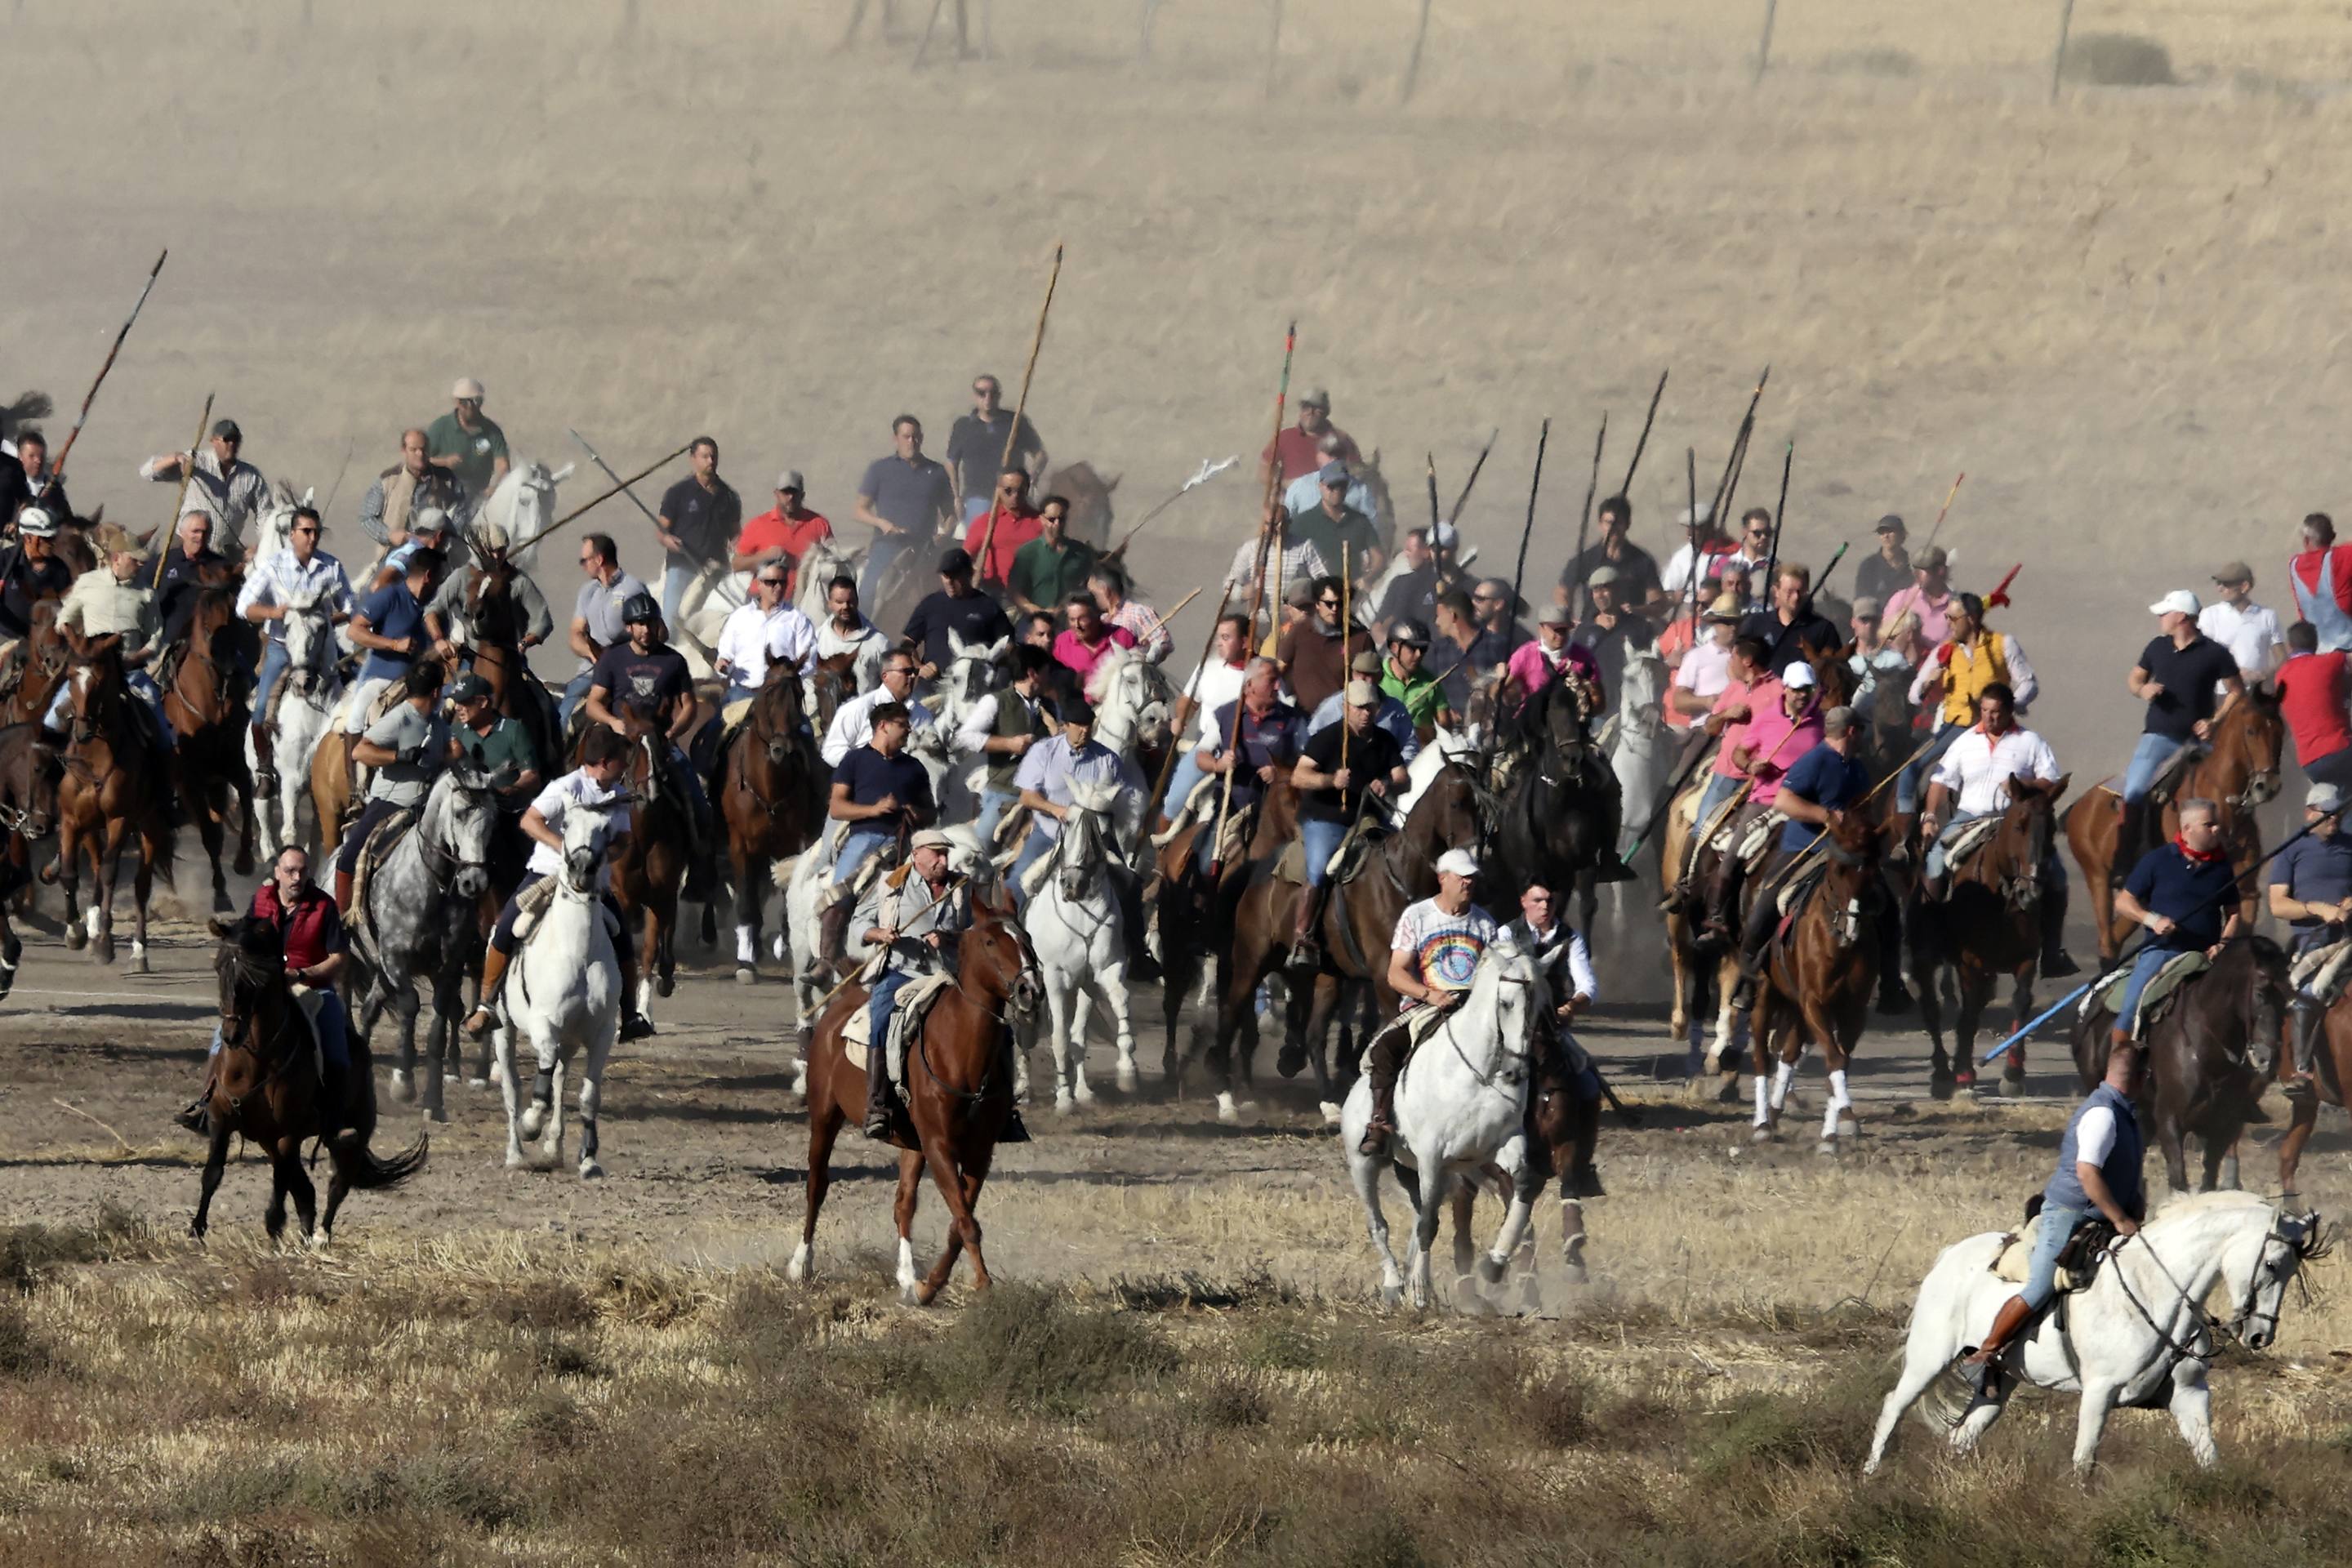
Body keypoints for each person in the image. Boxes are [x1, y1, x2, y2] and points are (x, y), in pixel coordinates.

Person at [1958, 1037, 2149, 1398]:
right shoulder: (2103, 1115)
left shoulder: (2123, 1111)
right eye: (2147, 1076)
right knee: (2041, 1286)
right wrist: (2120, 1219)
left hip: (2103, 1214)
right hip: (2070, 1213)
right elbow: (2087, 1173)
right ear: (2139, 1077)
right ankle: (1985, 1354)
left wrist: (2134, 1201)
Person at [463, 725, 654, 1042]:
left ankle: (630, 1013)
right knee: (506, 927)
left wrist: (603, 854)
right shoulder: (565, 786)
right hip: (547, 874)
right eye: (623, 760)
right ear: (605, 761)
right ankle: (486, 1005)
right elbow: (529, 820)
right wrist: (563, 848)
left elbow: (623, 839)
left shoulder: (619, 796)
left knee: (622, 942)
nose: (627, 766)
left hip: (593, 884)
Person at [175, 845, 356, 1136]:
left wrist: (302, 974)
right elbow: (242, 939)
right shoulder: (261, 900)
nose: (297, 878)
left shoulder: (324, 906)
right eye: (290, 871)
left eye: (302, 871)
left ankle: (335, 1122)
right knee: (221, 1035)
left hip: (313, 990)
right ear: (277, 874)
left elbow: (340, 958)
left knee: (335, 1044)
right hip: (265, 991)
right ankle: (205, 1104)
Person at [1918, 683, 2078, 976]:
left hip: (2016, 822)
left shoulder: (2030, 741)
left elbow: (2051, 780)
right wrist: (1929, 815)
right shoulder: (1966, 741)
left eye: (1996, 712)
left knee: (2057, 874)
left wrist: (2024, 785)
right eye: (1985, 711)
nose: (1990, 718)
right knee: (1935, 860)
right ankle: (1932, 941)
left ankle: (2052, 952)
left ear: (2009, 712)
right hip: (1970, 816)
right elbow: (1941, 781)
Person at [1723, 705, 1877, 1009]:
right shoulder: (1815, 761)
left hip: (1845, 853)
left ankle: (1890, 978)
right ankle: (1747, 979)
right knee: (1764, 906)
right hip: (1803, 849)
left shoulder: (1857, 768)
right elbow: (1784, 800)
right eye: (1860, 730)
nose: (1863, 736)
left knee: (1882, 903)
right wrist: (1825, 815)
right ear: (1851, 731)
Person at [1358, 847, 1498, 1154]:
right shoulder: (1417, 916)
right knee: (1383, 1050)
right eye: (1462, 877)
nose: (1468, 883)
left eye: (1472, 878)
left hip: (1475, 1010)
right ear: (1442, 879)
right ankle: (1379, 1121)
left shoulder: (1485, 924)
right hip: (1426, 1008)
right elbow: (1395, 974)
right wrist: (1429, 995)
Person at [858, 827, 980, 1138]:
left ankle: (1002, 1105)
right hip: (903, 972)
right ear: (916, 856)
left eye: (945, 854)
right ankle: (878, 1106)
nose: (943, 860)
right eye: (936, 854)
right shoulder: (891, 885)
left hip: (948, 977)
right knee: (882, 1019)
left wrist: (950, 938)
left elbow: (975, 933)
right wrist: (881, 934)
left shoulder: (960, 886)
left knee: (993, 1020)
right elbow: (859, 925)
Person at [1288, 679, 1410, 969]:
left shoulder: (1385, 740)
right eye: (1359, 708)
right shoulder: (1329, 738)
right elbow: (1299, 776)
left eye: (1370, 707)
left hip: (1369, 818)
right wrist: (1331, 780)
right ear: (1346, 708)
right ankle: (1303, 936)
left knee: (1402, 858)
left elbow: (1404, 777)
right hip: (1326, 818)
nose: (1365, 713)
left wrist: (1387, 782)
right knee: (1320, 869)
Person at [2108, 796, 2246, 1052]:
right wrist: (2152, 920)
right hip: (2163, 951)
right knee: (2132, 1006)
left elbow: (2234, 913)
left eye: (2216, 824)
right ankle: (2119, 1065)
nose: (2217, 829)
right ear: (2187, 830)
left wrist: (2223, 944)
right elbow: (2124, 902)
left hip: (2207, 955)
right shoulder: (2157, 860)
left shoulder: (2222, 867)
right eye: (2209, 824)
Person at [812, 701, 936, 974]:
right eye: (902, 725)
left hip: (908, 841)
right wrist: (874, 809)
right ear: (883, 726)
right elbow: (837, 807)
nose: (908, 730)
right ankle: (826, 959)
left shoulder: (914, 767)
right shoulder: (855, 760)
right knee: (842, 891)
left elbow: (932, 812)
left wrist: (916, 812)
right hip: (866, 838)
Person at [2118, 591, 2243, 861]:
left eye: (2165, 613)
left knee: (2229, 789)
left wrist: (2216, 720)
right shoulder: (2156, 647)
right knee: (2135, 791)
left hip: (2198, 743)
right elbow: (2134, 679)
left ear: (2182, 617)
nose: (2160, 618)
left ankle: (2234, 847)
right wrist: (2143, 690)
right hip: (2158, 738)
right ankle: (2126, 858)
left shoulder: (2215, 653)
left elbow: (2236, 689)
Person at [238, 504, 356, 779]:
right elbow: (243, 607)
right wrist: (272, 613)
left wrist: (322, 621)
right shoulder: (273, 566)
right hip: (281, 649)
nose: (312, 538)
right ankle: (265, 768)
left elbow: (351, 606)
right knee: (260, 710)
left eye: (316, 532)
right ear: (292, 534)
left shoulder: (331, 566)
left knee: (355, 694)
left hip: (322, 648)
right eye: (305, 532)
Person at [1505, 879, 1606, 1195]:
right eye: (1538, 900)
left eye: (1549, 900)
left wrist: (1572, 1006)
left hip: (1552, 1030)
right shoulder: (1506, 935)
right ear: (1523, 901)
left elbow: (1587, 984)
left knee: (1588, 1083)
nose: (1545, 906)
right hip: (1512, 1029)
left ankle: (1581, 1166)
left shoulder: (1570, 937)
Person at [1898, 590, 2039, 814]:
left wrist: (2009, 704)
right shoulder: (1944, 651)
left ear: (1971, 619)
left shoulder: (2004, 644)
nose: (1948, 624)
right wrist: (1928, 685)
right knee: (1909, 771)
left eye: (1953, 619)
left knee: (2035, 773)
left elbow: (2029, 684)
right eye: (1946, 618)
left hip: (1998, 726)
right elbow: (1914, 695)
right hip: (1957, 727)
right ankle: (1904, 834)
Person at [583, 594, 711, 835]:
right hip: (620, 738)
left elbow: (689, 705)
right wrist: (613, 722)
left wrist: (673, 732)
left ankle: (701, 852)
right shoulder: (612, 658)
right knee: (585, 785)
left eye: (651, 622)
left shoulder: (674, 661)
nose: (646, 629)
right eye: (640, 624)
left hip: (658, 739)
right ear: (628, 627)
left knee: (692, 790)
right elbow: (593, 703)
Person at [1008, 697, 1145, 912]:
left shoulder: (1107, 759)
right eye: (1079, 726)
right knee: (1017, 881)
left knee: (1131, 885)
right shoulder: (1044, 751)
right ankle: (1014, 934)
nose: (1085, 731)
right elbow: (1027, 797)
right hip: (1050, 833)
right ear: (1066, 726)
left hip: (1096, 840)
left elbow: (1122, 801)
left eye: (1089, 725)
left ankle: (1135, 943)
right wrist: (1056, 809)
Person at [49, 523, 174, 755]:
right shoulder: (88, 583)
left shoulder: (147, 593)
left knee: (164, 733)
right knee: (51, 721)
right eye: (134, 560)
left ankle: (166, 783)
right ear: (117, 558)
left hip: (131, 675)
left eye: (141, 561)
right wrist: (76, 643)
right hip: (89, 671)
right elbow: (63, 620)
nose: (140, 565)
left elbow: (156, 639)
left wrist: (135, 657)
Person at [334, 662, 448, 911]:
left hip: (427, 808)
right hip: (390, 804)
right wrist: (399, 756)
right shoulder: (400, 718)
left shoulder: (437, 724)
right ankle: (341, 920)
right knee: (349, 856)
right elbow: (360, 751)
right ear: (436, 693)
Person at [2269, 783, 2352, 1102]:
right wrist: (2316, 909)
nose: (2336, 818)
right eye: (2329, 813)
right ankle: (2302, 1070)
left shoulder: (2350, 845)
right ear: (2309, 813)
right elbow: (2277, 904)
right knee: (2307, 992)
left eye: (2339, 813)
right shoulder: (2291, 850)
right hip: (2313, 941)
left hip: (2350, 935)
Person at [1194, 658, 1307, 871]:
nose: (1278, 686)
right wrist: (1219, 765)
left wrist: (1282, 773)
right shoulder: (1226, 715)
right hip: (1233, 806)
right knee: (1206, 860)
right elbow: (1202, 756)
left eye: (1278, 681)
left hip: (1277, 810)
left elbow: (1307, 763)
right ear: (1249, 686)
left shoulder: (1293, 719)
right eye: (1271, 681)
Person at [343, 547, 448, 742]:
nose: (440, 585)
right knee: (357, 714)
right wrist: (394, 644)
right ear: (428, 576)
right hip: (383, 680)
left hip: (422, 686)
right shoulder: (391, 596)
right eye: (439, 578)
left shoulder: (432, 607)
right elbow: (354, 630)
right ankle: (353, 769)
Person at [1160, 615, 1252, 831]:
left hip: (1244, 752)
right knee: (1175, 799)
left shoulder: (1260, 673)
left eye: (1226, 637)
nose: (1219, 642)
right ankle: (1161, 851)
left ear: (1245, 642)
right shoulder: (1208, 667)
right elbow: (1189, 701)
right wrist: (1181, 719)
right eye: (1219, 637)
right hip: (1206, 748)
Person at [958, 643, 1054, 848]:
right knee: (980, 847)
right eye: (1046, 672)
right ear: (1032, 673)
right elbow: (965, 736)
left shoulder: (1050, 706)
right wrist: (1009, 744)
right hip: (1006, 793)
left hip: (1045, 797)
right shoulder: (995, 701)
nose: (1049, 677)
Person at [855, 415, 957, 600]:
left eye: (916, 437)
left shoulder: (936, 472)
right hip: (888, 545)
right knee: (868, 590)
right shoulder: (880, 469)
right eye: (907, 437)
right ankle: (862, 627)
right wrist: (882, 523)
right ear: (896, 439)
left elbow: (950, 514)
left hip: (925, 547)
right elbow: (860, 510)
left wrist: (945, 533)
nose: (912, 442)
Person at [141, 417, 269, 561]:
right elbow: (147, 472)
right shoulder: (196, 461)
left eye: (236, 439)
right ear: (214, 441)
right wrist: (177, 458)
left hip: (223, 550)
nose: (232, 444)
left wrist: (263, 545)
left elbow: (265, 513)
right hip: (186, 546)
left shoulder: (251, 476)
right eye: (227, 439)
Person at [563, 533, 648, 730]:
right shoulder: (588, 592)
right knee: (563, 718)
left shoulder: (633, 589)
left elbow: (651, 633)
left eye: (584, 560)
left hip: (629, 671)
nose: (582, 565)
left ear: (599, 559)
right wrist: (592, 655)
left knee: (654, 727)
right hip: (590, 670)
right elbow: (575, 633)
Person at [655, 436, 740, 632]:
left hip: (717, 568)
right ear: (693, 459)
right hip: (683, 565)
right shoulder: (678, 493)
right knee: (671, 621)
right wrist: (667, 540)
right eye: (705, 456)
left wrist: (737, 545)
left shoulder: (728, 496)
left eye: (713, 456)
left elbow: (736, 533)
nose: (710, 461)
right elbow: (661, 529)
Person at [355, 429, 467, 569]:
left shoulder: (446, 479)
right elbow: (367, 517)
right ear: (404, 450)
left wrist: (446, 537)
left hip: (436, 557)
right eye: (413, 449)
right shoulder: (388, 480)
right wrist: (388, 534)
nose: (420, 454)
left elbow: (461, 509)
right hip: (394, 556)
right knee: (373, 588)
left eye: (423, 449)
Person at [946, 373, 1045, 525]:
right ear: (975, 395)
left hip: (1014, 496)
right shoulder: (963, 426)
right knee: (979, 539)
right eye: (981, 393)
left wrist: (1034, 474)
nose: (987, 398)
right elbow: (952, 463)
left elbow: (1040, 454)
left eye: (992, 393)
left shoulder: (1015, 422)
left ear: (999, 395)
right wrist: (956, 497)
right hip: (978, 496)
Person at [712, 562, 817, 707]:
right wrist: (723, 665)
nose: (778, 587)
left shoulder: (798, 619)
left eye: (782, 582)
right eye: (772, 582)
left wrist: (788, 678)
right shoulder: (739, 617)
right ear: (759, 584)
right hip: (742, 694)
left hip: (782, 698)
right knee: (712, 728)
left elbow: (809, 661)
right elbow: (726, 654)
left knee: (806, 730)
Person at [902, 548, 1013, 677]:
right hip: (932, 689)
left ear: (969, 573)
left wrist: (988, 661)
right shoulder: (930, 604)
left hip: (972, 688)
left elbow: (1008, 645)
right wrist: (919, 667)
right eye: (945, 576)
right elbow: (908, 643)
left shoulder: (988, 606)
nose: (949, 581)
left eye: (954, 576)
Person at [1275, 575, 1373, 715]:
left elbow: (1369, 681)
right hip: (1304, 717)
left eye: (1339, 604)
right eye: (1329, 603)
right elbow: (1279, 668)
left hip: (1343, 720)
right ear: (1317, 604)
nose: (1334, 609)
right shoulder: (1300, 631)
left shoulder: (1360, 638)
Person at [821, 649, 935, 766]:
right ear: (885, 676)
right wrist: (867, 765)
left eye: (914, 671)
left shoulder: (923, 715)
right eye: (906, 672)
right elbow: (832, 753)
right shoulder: (857, 709)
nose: (912, 676)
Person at [2274, 621, 2352, 793]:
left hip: (2310, 762)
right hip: (2340, 749)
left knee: (2336, 806)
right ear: (2315, 643)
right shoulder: (2329, 662)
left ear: (2290, 646)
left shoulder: (2280, 677)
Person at [1557, 494, 1664, 617]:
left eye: (1618, 523)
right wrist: (1569, 619)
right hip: (1592, 629)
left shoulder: (1642, 560)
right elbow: (1563, 591)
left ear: (1627, 524)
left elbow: (1659, 604)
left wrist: (1637, 610)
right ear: (1600, 524)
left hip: (1631, 629)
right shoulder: (1586, 559)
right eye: (1608, 523)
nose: (1613, 528)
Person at [731, 470, 834, 596]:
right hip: (763, 601)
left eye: (794, 493)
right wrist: (764, 556)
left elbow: (834, 563)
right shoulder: (758, 525)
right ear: (776, 494)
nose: (790, 497)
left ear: (802, 495)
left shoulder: (819, 524)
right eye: (786, 492)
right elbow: (735, 565)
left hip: (806, 601)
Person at [448, 672, 540, 811]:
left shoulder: (513, 730)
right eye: (456, 702)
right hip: (468, 811)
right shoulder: (457, 731)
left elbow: (532, 776)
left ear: (483, 702)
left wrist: (511, 789)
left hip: (507, 811)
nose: (457, 708)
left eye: (464, 702)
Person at [1307, 650, 1420, 763]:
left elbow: (1409, 745)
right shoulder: (1335, 705)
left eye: (1368, 675)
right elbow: (1313, 737)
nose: (1362, 679)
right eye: (1358, 673)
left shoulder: (1395, 708)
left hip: (1384, 774)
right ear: (1352, 674)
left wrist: (1397, 769)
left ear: (1380, 676)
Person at [1736, 563, 1840, 679]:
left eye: (1801, 591)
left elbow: (1835, 671)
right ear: (1776, 591)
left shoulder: (1823, 629)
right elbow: (1735, 661)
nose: (1796, 597)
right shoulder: (1756, 624)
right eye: (1790, 592)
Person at [1287, 461, 1383, 586]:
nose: (1337, 491)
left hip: (1352, 594)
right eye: (1332, 486)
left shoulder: (1360, 521)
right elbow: (1288, 557)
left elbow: (1378, 557)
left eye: (1342, 486)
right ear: (1321, 486)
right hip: (1315, 595)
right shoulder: (1302, 523)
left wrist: (1369, 578)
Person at [1008, 495, 1099, 619]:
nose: (1057, 524)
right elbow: (1015, 591)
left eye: (1061, 519)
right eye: (1052, 519)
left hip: (1071, 621)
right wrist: (1035, 610)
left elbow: (1092, 585)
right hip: (1035, 621)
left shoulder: (1081, 552)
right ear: (1042, 519)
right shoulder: (1027, 552)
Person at [1504, 602, 1604, 712]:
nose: (1560, 636)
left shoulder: (1584, 658)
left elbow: (1599, 703)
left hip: (1574, 722)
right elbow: (1502, 691)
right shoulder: (1525, 655)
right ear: (1541, 629)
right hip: (1533, 722)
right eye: (1556, 630)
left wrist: (1586, 700)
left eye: (1564, 630)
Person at [1576, 568, 1655, 706]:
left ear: (1619, 590)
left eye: (1605, 588)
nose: (1600, 595)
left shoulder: (1639, 627)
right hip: (1598, 712)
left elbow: (1653, 664)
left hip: (1634, 709)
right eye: (1596, 590)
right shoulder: (1584, 632)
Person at [1258, 386, 1358, 494]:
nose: (1310, 412)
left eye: (1317, 408)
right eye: (1306, 407)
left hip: (1330, 504)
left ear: (1326, 412)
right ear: (1301, 411)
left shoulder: (1341, 439)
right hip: (1291, 504)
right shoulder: (1285, 437)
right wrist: (1282, 483)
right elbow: (1264, 468)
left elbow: (1356, 472)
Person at [2198, 560, 2285, 684]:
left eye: (2226, 584)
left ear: (2245, 587)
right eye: (2219, 583)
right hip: (2223, 694)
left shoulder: (2267, 616)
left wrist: (2263, 675)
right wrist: (2234, 674)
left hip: (2257, 694)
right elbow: (2203, 656)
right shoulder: (2209, 615)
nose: (2220, 588)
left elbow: (2282, 657)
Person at [1666, 592, 1742, 731]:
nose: (1733, 628)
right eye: (1726, 622)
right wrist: (1707, 702)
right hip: (1705, 731)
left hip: (1741, 731)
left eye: (1737, 622)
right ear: (1715, 625)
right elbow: (1678, 701)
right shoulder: (1696, 656)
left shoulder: (1748, 657)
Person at [0, 506, 75, 643]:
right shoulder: (4, 561)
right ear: (28, 538)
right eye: (46, 538)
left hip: (44, 643)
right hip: (6, 639)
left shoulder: (60, 569)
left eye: (53, 538)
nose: (52, 543)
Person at [960, 467, 1042, 590]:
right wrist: (974, 570)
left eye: (1020, 491)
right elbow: (964, 557)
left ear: (1027, 490)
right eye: (1008, 490)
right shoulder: (985, 522)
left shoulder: (1040, 522)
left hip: (1030, 591)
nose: (1015, 496)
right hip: (994, 591)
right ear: (998, 490)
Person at [425, 377, 510, 497]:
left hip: (479, 495)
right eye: (464, 402)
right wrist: (445, 462)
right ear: (457, 403)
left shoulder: (492, 431)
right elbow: (420, 461)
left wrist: (494, 487)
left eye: (476, 401)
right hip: (445, 494)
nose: (470, 407)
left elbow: (502, 465)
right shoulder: (440, 427)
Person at [812, 574, 890, 699]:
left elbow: (891, 687)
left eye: (850, 601)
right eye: (839, 602)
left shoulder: (879, 643)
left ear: (857, 601)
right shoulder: (816, 640)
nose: (845, 607)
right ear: (829, 604)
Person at [1281, 431, 1380, 526]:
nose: (1334, 459)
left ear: (1346, 458)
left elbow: (1371, 528)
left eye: (1339, 455)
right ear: (1318, 457)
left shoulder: (1361, 491)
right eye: (1330, 454)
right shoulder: (1300, 487)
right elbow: (1285, 521)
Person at [2287, 512, 2352, 654]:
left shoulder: (2294, 565)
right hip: (2348, 648)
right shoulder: (2344, 555)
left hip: (2317, 651)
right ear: (2333, 536)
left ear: (2306, 540)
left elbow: (2301, 609)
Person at [1882, 545, 1953, 663]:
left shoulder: (1955, 607)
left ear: (1940, 571)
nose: (1916, 574)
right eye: (1914, 568)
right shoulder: (1901, 598)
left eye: (1922, 569)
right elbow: (1882, 636)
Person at [1089, 562, 1171, 664]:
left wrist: (1149, 656)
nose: (1092, 598)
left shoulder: (1137, 612)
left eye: (1093, 593)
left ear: (1104, 589)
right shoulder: (1102, 621)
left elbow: (1164, 642)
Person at [1379, 619, 1448, 735]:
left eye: (1423, 649)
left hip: (1421, 750)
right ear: (1394, 647)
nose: (1418, 655)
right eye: (1412, 648)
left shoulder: (1431, 682)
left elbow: (1444, 724)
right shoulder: (1377, 676)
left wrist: (1424, 732)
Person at [1051, 593, 1137, 687]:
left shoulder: (1122, 637)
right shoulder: (1062, 643)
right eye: (1072, 620)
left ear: (1096, 616)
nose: (1077, 625)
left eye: (1082, 619)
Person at [1659, 501, 1735, 603]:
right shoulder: (1682, 556)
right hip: (1689, 610)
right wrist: (1673, 597)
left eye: (1695, 528)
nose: (1689, 533)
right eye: (1688, 528)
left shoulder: (1731, 552)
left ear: (1709, 528)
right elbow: (1667, 590)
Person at [1428, 588, 1485, 718]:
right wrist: (1444, 710)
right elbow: (1431, 690)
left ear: (1453, 616)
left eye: (1439, 616)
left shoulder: (1496, 644)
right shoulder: (1438, 652)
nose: (1436, 622)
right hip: (1458, 730)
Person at [0, 428, 68, 528]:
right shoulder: (9, 482)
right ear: (20, 456)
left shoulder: (53, 488)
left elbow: (65, 519)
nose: (38, 461)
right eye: (32, 456)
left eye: (41, 456)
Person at [1853, 514, 1912, 608]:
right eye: (1882, 532)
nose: (1885, 536)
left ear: (1902, 534)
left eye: (1890, 531)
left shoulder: (1913, 566)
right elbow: (1862, 601)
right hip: (1876, 619)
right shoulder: (1869, 566)